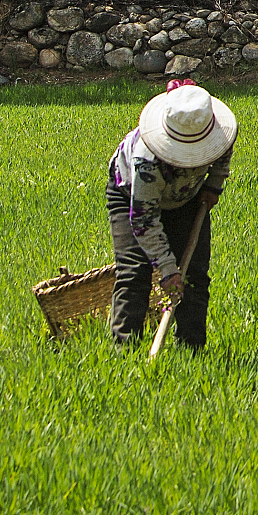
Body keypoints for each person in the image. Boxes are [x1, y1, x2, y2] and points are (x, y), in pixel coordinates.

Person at [107, 83, 236, 350]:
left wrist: (213, 185)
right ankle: (124, 351)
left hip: (188, 196)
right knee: (135, 272)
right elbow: (144, 221)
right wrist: (167, 270)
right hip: (131, 193)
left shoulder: (219, 130)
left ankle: (191, 350)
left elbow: (224, 153)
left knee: (195, 275)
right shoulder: (146, 161)